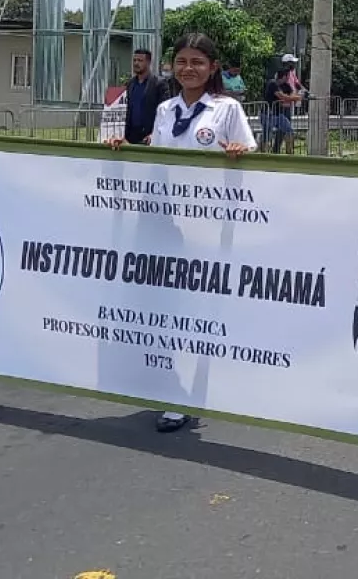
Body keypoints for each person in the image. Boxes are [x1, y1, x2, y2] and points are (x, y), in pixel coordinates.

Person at [108, 33, 257, 433]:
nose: (188, 69)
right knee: (171, 306)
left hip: (211, 224)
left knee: (203, 309)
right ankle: (176, 389)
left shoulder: (227, 110)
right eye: (182, 61)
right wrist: (123, 148)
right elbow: (155, 157)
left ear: (212, 68)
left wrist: (238, 156)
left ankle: (199, 389)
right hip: (168, 222)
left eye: (198, 62)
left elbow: (249, 159)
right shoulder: (165, 109)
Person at [122, 48, 168, 146]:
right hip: (130, 136)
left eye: (140, 60)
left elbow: (165, 112)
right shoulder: (130, 84)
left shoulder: (159, 84)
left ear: (148, 62)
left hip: (149, 136)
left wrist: (154, 134)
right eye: (134, 60)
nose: (136, 63)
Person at [260, 67, 298, 153]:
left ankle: (289, 154)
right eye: (287, 76)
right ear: (284, 77)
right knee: (267, 136)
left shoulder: (285, 85)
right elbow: (282, 97)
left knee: (289, 131)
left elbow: (290, 94)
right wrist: (296, 98)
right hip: (267, 114)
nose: (288, 78)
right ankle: (263, 154)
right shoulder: (272, 83)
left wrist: (292, 97)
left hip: (277, 114)